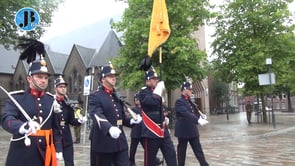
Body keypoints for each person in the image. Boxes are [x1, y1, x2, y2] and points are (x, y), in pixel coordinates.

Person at [1, 39, 62, 166]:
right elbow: (7, 119)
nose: (44, 81)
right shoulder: (16, 98)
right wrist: (22, 126)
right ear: (29, 79)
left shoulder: (51, 100)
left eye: (45, 78)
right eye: (39, 77)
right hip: (23, 155)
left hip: (46, 154)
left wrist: (59, 149)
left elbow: (56, 129)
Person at [88, 62, 142, 166]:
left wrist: (131, 121)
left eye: (114, 76)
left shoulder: (116, 95)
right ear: (103, 79)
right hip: (103, 142)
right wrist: (109, 128)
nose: (114, 78)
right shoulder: (95, 96)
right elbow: (96, 115)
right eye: (110, 76)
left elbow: (120, 117)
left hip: (119, 143)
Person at [138, 67, 177, 166]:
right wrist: (159, 90)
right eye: (154, 79)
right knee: (150, 161)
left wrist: (165, 117)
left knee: (171, 154)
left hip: (163, 131)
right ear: (147, 81)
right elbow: (151, 102)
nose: (156, 80)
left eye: (157, 79)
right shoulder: (143, 93)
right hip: (151, 131)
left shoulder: (158, 93)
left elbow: (162, 108)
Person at [53, 75, 87, 166]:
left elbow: (71, 120)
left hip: (67, 137)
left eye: (64, 87)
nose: (63, 89)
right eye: (60, 87)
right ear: (55, 88)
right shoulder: (51, 102)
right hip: (54, 138)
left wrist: (79, 121)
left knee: (69, 163)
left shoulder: (67, 103)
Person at [174, 81, 209, 166]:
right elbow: (186, 113)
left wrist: (201, 116)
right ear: (184, 90)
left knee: (199, 151)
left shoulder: (190, 101)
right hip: (183, 130)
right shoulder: (179, 101)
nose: (191, 91)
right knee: (181, 153)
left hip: (192, 130)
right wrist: (197, 120)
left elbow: (194, 112)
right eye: (189, 89)